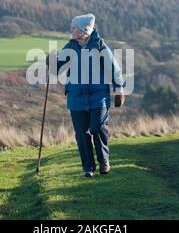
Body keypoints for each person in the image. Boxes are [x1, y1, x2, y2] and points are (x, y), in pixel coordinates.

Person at [47, 13, 125, 177]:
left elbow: (114, 69)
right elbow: (57, 68)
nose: (71, 30)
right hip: (76, 97)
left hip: (98, 96)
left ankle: (104, 161)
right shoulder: (70, 46)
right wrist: (52, 61)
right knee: (82, 134)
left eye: (74, 27)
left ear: (83, 30)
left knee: (97, 129)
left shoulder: (99, 46)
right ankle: (88, 167)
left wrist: (119, 91)